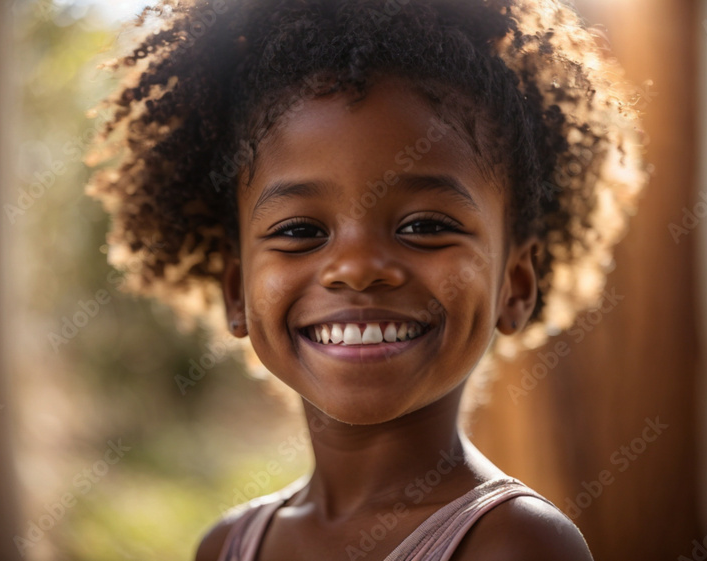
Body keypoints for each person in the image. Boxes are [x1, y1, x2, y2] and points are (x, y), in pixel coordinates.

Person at [85, 0, 648, 558]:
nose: (355, 268)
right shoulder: (227, 545)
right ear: (237, 291)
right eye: (300, 230)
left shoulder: (516, 544)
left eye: (425, 225)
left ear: (514, 286)